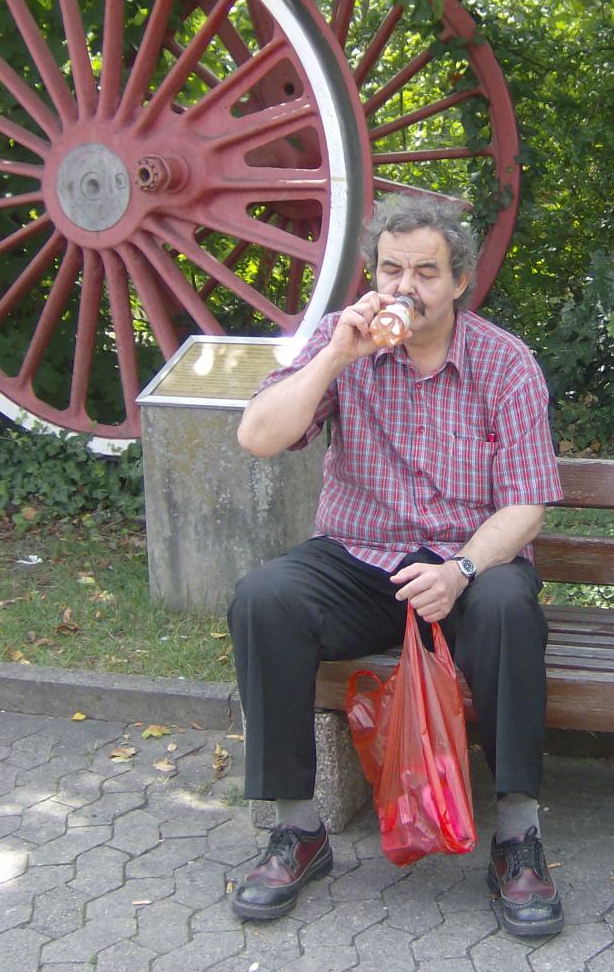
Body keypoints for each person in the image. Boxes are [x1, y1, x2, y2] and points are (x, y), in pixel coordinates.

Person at [226, 195, 565, 937]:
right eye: (391, 271)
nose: (407, 289)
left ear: (460, 281)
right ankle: (296, 829)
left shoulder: (503, 362)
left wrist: (462, 571)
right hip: (361, 558)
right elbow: (257, 435)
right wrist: (336, 356)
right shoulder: (340, 342)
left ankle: (517, 836)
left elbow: (527, 506)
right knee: (264, 597)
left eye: (426, 273)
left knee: (510, 609)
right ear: (372, 275)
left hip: (468, 564)